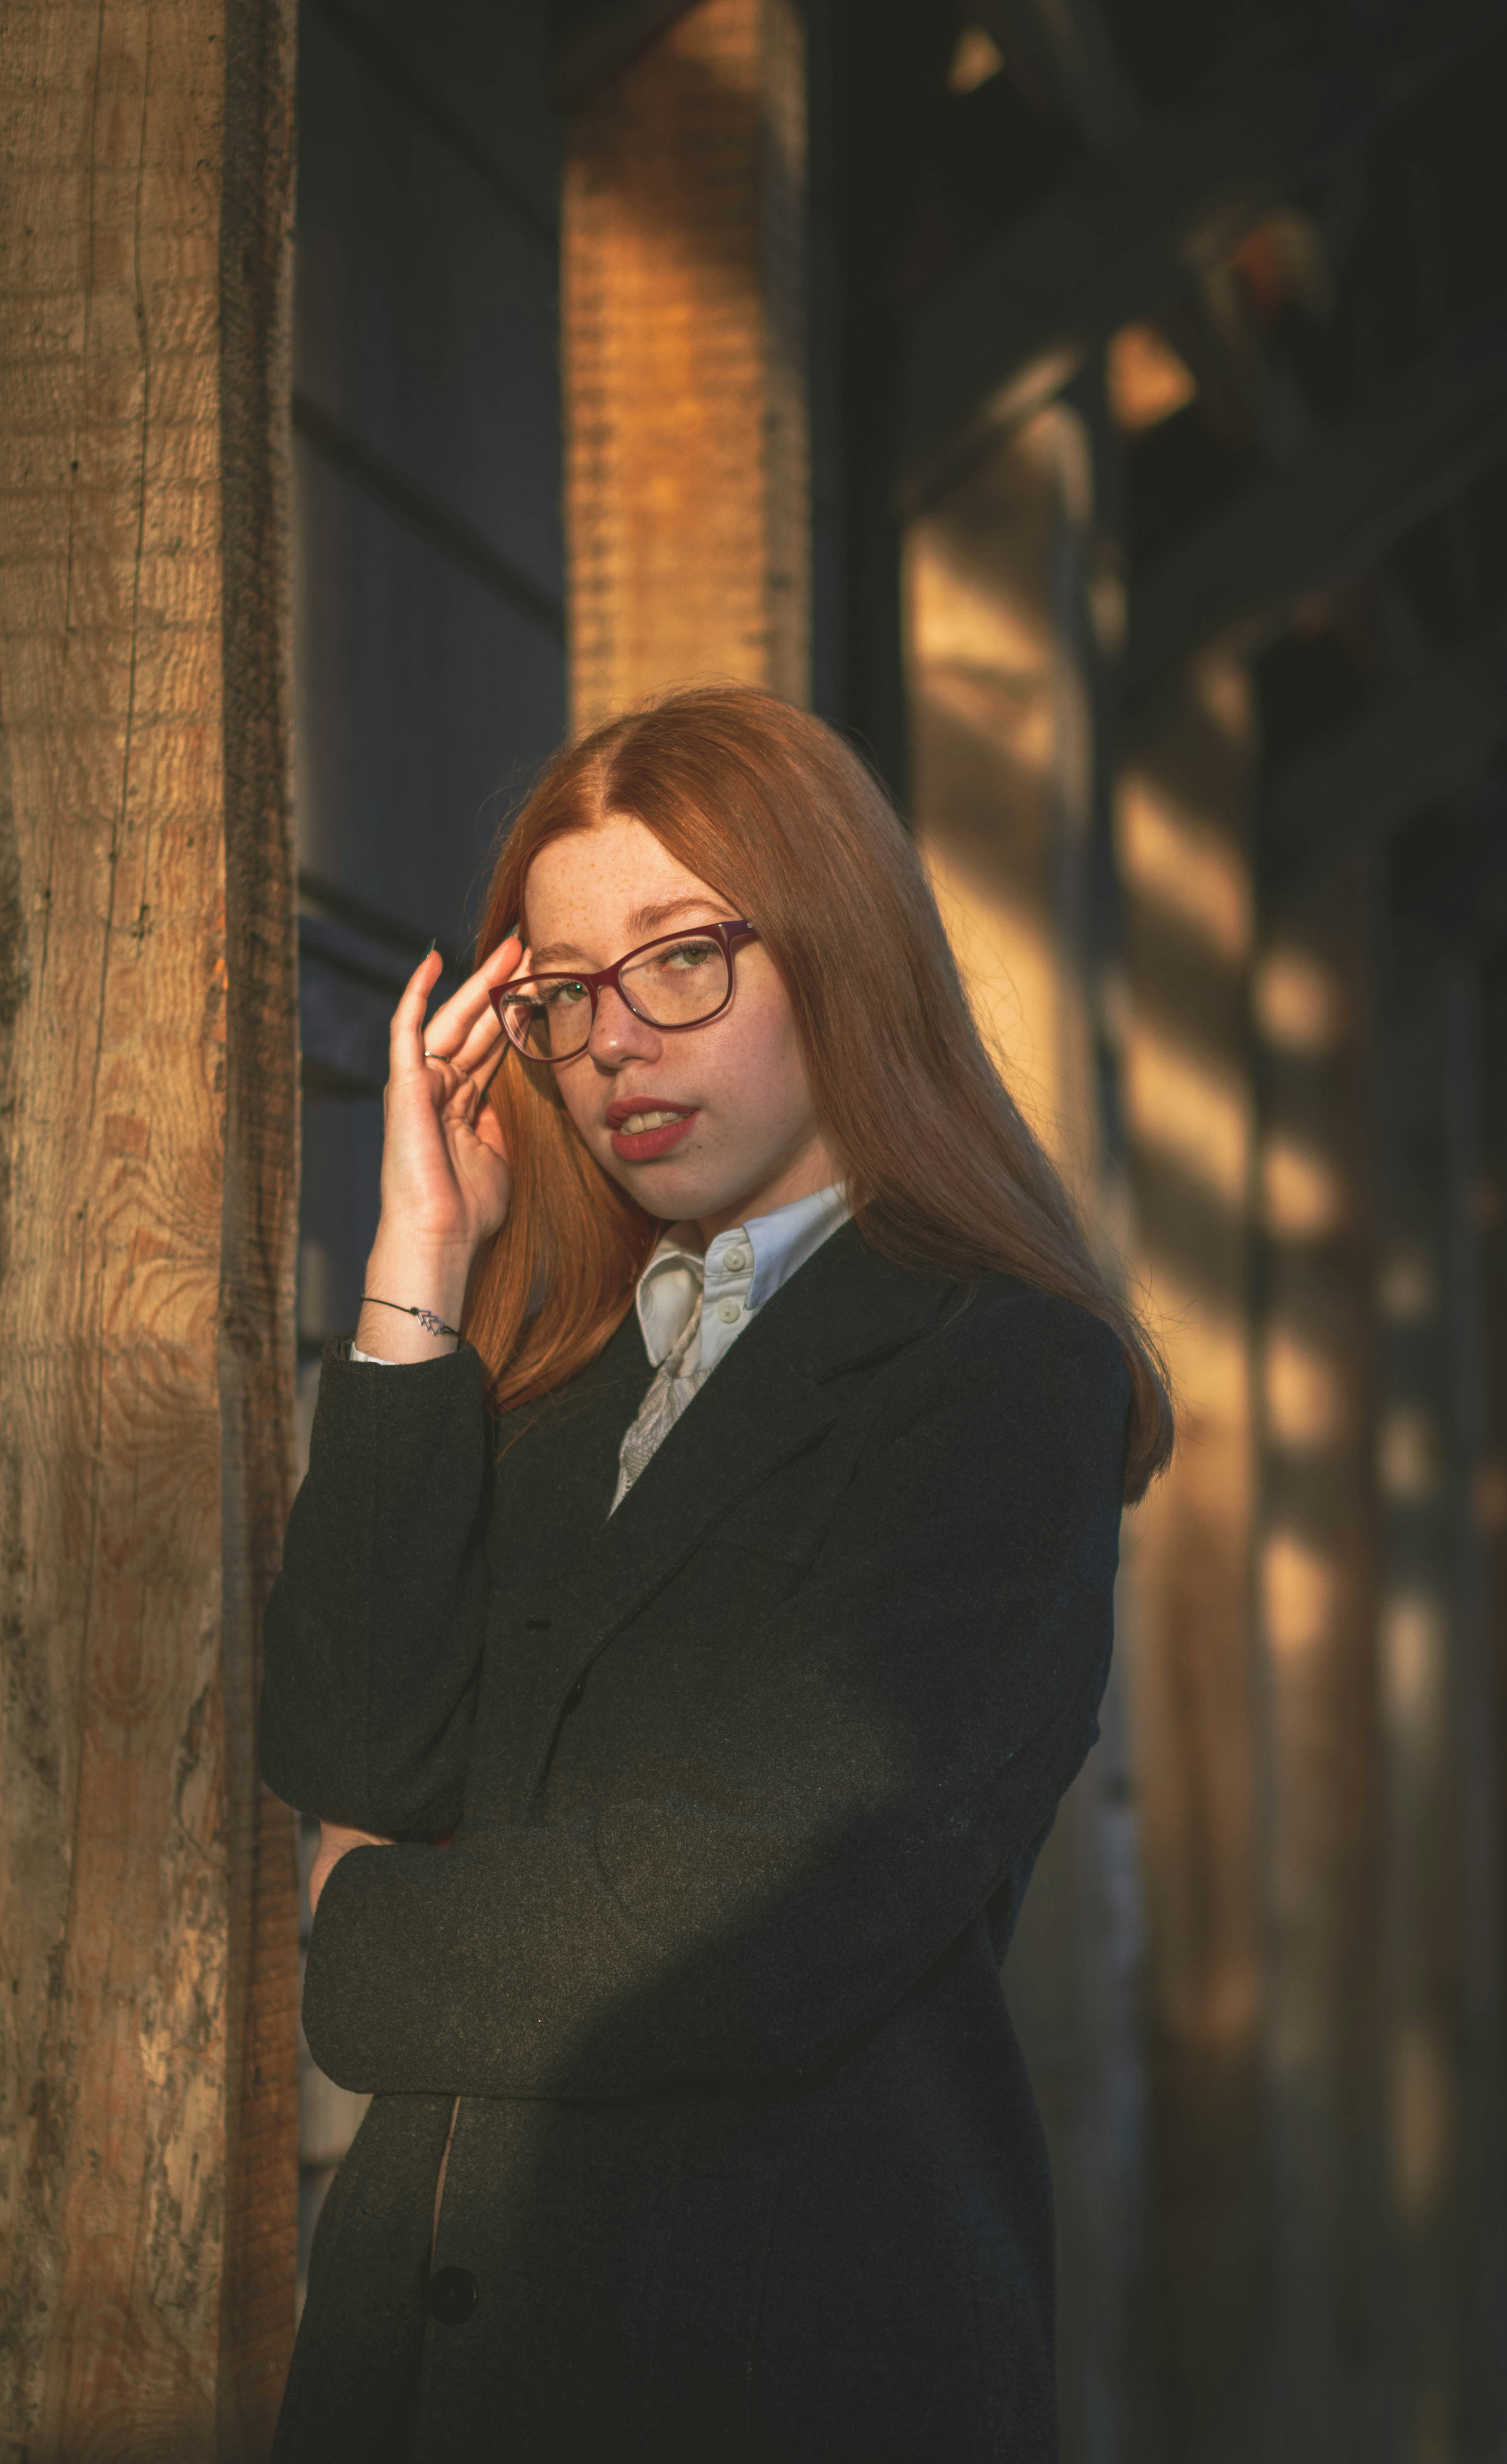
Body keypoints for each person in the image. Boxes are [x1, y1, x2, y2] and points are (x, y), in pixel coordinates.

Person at [261, 684, 1170, 2463]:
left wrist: (358, 1934)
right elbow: (355, 1757)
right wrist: (417, 1277)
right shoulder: (557, 1382)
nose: (613, 1041)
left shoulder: (996, 1371)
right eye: (563, 991)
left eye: (683, 961)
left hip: (768, 2363)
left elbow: (783, 1900)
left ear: (834, 957)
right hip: (425, 2378)